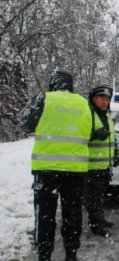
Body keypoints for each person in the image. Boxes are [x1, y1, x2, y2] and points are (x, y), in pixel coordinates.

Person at [20, 71, 92, 261]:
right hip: (75, 170)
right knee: (72, 213)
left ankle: (44, 255)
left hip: (46, 169)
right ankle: (71, 253)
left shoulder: (43, 98)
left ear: (52, 84)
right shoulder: (83, 103)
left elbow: (25, 123)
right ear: (71, 85)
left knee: (45, 215)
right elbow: (90, 132)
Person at [84, 84, 119, 237]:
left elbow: (112, 138)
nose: (105, 102)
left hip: (104, 165)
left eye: (107, 99)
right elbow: (79, 136)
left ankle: (100, 219)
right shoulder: (88, 115)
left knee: (99, 197)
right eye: (101, 99)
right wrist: (94, 135)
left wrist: (115, 154)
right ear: (93, 99)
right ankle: (96, 225)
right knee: (92, 198)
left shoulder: (106, 115)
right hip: (91, 167)